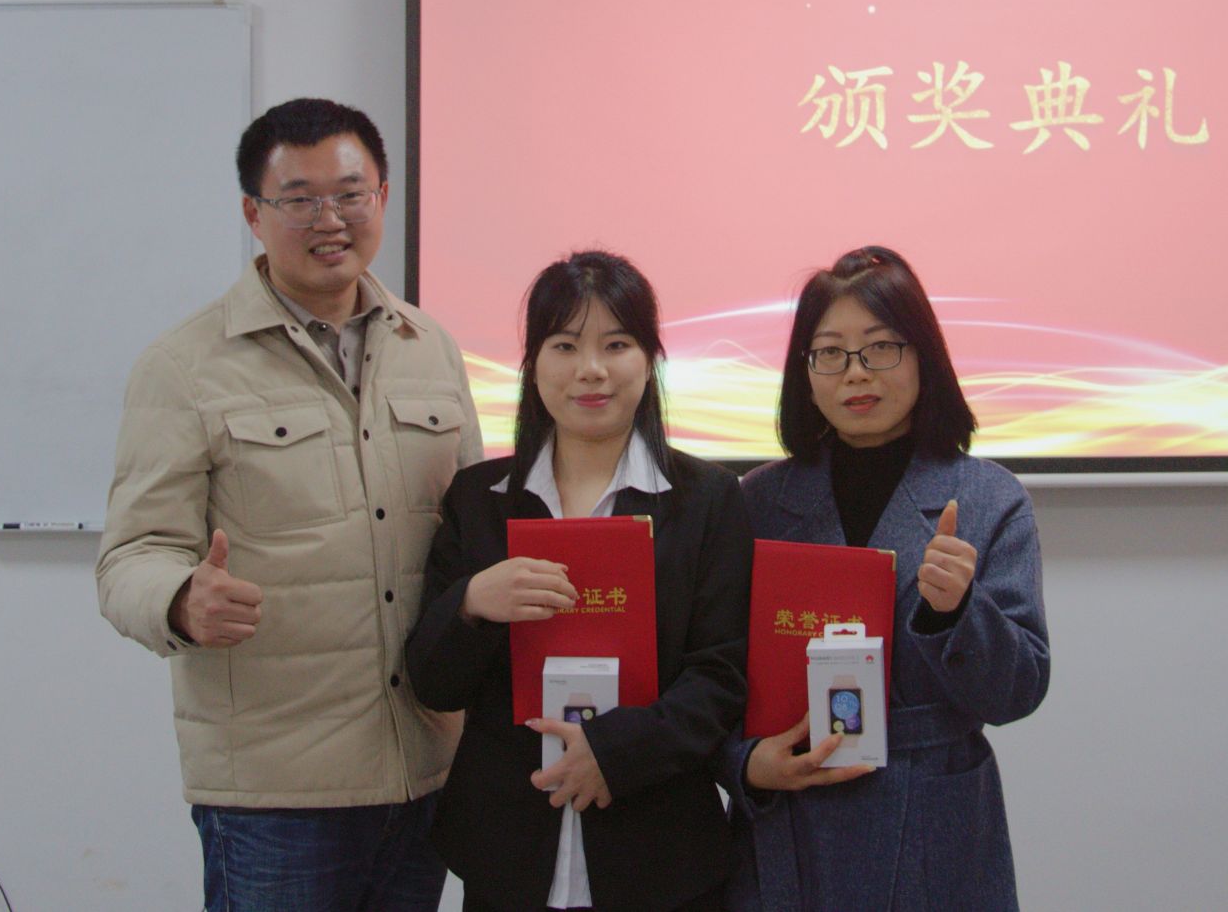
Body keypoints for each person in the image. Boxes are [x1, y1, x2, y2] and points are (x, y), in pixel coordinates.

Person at [96, 98, 483, 912]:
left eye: (350, 194)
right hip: (276, 792)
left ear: (382, 196)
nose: (329, 220)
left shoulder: (431, 349)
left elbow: (471, 539)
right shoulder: (185, 367)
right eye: (300, 200)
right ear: (254, 214)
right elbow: (130, 556)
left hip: (424, 770)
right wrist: (180, 598)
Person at [406, 251, 754, 912]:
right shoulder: (479, 499)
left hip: (659, 848)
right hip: (508, 848)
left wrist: (616, 754)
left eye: (616, 345)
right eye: (564, 345)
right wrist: (472, 604)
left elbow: (721, 676)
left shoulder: (707, 499)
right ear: (533, 363)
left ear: (649, 360)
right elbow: (433, 683)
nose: (590, 369)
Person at [726, 245, 1049, 912]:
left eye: (880, 348)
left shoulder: (988, 498)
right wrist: (743, 764)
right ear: (804, 371)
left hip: (930, 815)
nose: (856, 372)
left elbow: (1018, 692)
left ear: (923, 355)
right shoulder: (756, 502)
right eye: (831, 353)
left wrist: (957, 612)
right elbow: (710, 673)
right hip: (792, 816)